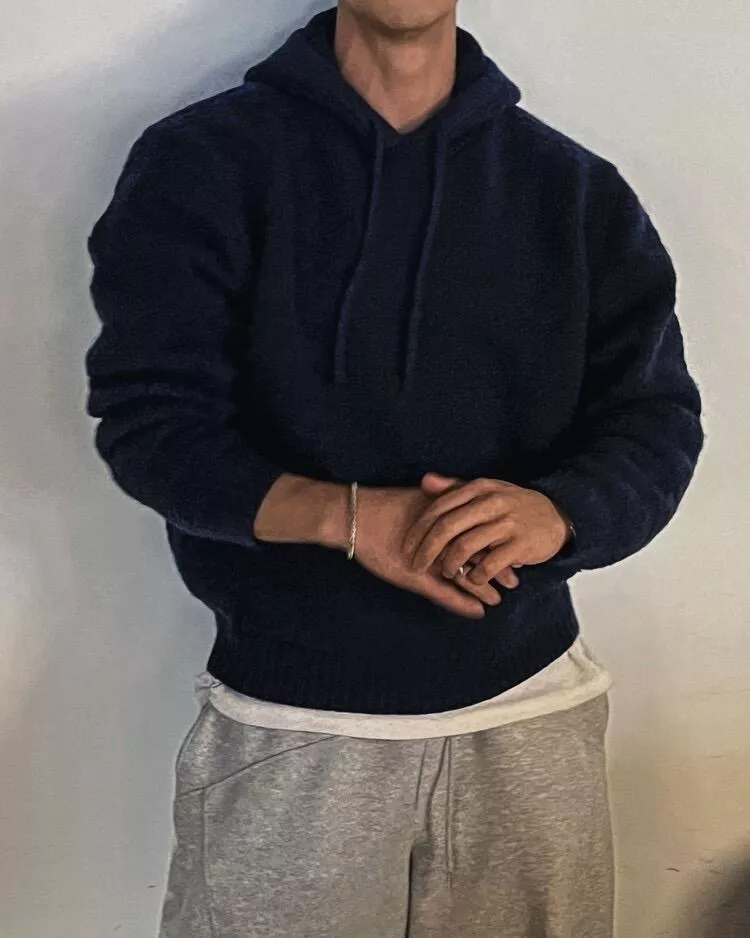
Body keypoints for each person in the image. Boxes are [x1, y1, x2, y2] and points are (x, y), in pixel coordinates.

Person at [84, 3, 704, 936]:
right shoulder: (201, 163)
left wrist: (560, 513)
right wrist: (350, 517)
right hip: (293, 728)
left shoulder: (574, 191)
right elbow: (150, 423)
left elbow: (655, 420)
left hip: (529, 718)